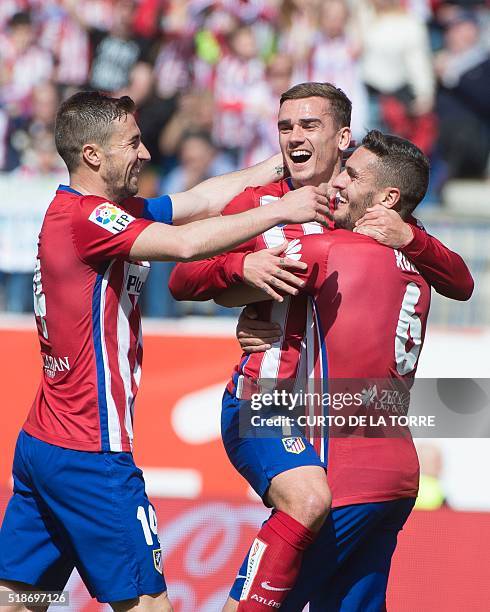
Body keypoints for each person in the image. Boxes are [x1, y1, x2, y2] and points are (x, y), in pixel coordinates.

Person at [0, 90, 331, 612]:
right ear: (93, 155)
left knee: (22, 597)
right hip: (91, 451)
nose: (146, 153)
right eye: (132, 143)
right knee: (151, 606)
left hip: (43, 443)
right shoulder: (89, 220)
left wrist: (273, 167)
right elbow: (185, 245)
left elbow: (197, 201)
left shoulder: (98, 212)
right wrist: (283, 210)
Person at [168, 83, 473, 610]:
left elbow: (460, 281)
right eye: (285, 127)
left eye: (309, 126)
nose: (294, 137)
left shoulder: (371, 213)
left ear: (343, 138)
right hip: (265, 395)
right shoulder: (260, 204)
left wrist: (411, 239)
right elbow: (186, 276)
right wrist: (243, 272)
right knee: (308, 502)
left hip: (334, 420)